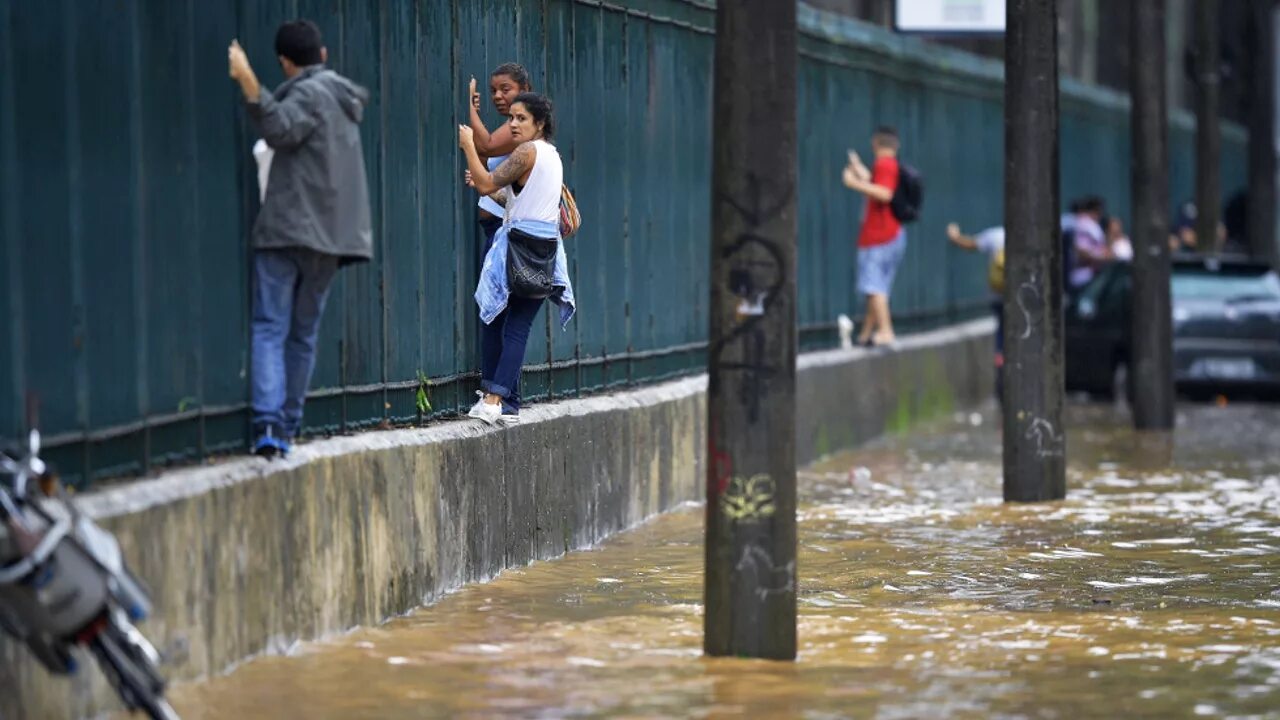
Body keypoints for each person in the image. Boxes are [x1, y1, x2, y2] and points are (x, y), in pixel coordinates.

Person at [227, 21, 373, 457]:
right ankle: (288, 425)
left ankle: (270, 424)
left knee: (271, 326)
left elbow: (278, 127)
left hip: (289, 231)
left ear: (286, 63)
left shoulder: (310, 94)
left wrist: (247, 79)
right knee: (303, 334)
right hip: (328, 240)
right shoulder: (341, 98)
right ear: (323, 55)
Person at [458, 93, 576, 426]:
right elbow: (516, 199)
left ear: (539, 124)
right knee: (516, 326)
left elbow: (486, 184)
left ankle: (494, 398)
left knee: (498, 319)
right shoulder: (552, 156)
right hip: (545, 253)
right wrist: (485, 184)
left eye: (521, 118)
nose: (512, 124)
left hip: (520, 251)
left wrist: (469, 145)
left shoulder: (526, 151)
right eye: (511, 117)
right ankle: (508, 403)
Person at [843, 126, 906, 347]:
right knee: (878, 287)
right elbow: (878, 184)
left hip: (879, 235)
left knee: (873, 286)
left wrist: (853, 183)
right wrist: (861, 171)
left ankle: (885, 331)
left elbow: (884, 193)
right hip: (892, 234)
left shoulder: (884, 164)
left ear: (876, 144)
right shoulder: (891, 166)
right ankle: (866, 333)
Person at [467, 63, 534, 249]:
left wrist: (469, 109)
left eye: (505, 89)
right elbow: (483, 155)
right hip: (497, 227)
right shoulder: (511, 125)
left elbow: (486, 146)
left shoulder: (523, 126)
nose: (497, 96)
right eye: (493, 90)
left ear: (525, 89)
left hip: (508, 229)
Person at [947, 222, 1006, 397]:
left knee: (1002, 332)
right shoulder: (1033, 236)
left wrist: (955, 236)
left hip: (999, 296)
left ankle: (1001, 362)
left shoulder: (996, 235)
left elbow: (971, 244)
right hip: (1025, 298)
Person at [1068, 195, 1109, 290]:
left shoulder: (1091, 225)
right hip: (1083, 276)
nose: (1100, 214)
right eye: (1098, 211)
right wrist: (1102, 257)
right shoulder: (1084, 224)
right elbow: (1080, 251)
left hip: (1093, 273)